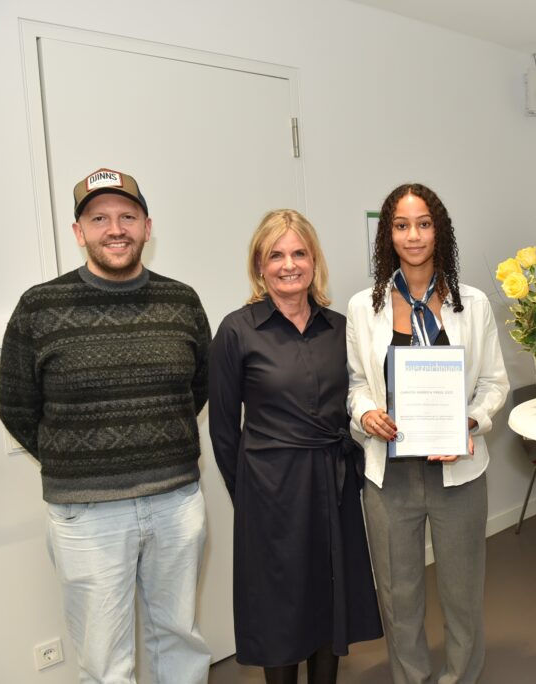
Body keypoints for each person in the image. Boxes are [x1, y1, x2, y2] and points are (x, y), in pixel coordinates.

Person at [0, 168, 212, 682]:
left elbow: (199, 387)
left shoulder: (182, 301)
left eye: (127, 217)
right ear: (79, 232)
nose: (115, 229)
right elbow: (17, 407)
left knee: (180, 642)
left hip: (176, 503)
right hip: (87, 515)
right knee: (104, 663)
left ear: (147, 227)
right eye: (99, 219)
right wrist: (79, 461)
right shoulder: (38, 307)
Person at [208, 209, 382, 684]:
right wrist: (249, 495)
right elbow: (223, 431)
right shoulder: (237, 331)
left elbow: (358, 398)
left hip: (333, 483)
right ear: (258, 266)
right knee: (279, 606)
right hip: (270, 492)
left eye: (299, 253)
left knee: (329, 596)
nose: (289, 265)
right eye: (276, 255)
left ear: (314, 261)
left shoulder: (340, 328)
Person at [346, 183, 509, 684]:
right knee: (400, 598)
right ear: (387, 235)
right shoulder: (363, 307)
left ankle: (461, 677)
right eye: (401, 225)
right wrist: (366, 415)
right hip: (389, 476)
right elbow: (356, 383)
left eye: (423, 224)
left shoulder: (472, 304)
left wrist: (469, 421)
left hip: (457, 472)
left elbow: (494, 383)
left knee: (463, 594)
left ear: (439, 231)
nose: (413, 235)